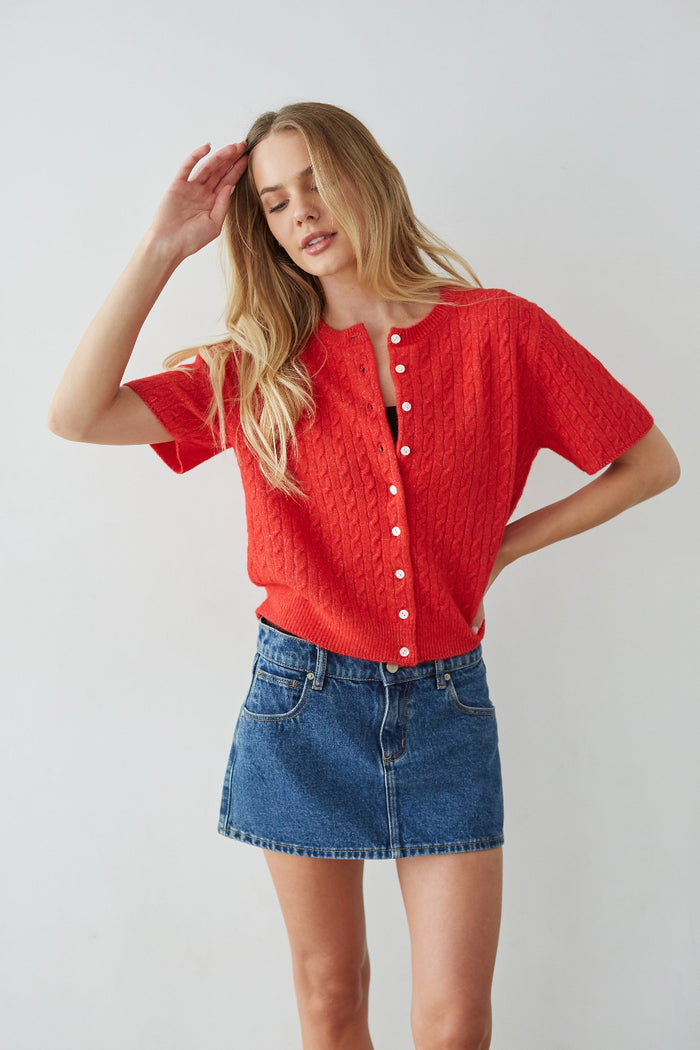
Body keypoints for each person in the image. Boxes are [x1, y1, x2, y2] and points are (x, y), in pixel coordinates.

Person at [47, 102, 680, 1050]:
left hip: (448, 703)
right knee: (332, 996)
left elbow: (649, 464)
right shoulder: (259, 367)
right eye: (274, 201)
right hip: (301, 704)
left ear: (369, 179)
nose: (301, 210)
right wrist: (161, 249)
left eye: (318, 181)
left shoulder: (501, 331)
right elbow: (77, 415)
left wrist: (503, 547)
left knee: (456, 1021)